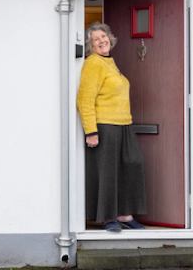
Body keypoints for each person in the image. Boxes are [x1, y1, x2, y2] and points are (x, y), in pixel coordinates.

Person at [77, 22, 147, 232]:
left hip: (124, 124)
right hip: (105, 125)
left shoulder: (109, 63)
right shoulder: (93, 63)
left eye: (103, 36)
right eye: (95, 39)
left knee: (130, 166)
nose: (101, 41)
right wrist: (91, 131)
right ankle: (108, 218)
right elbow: (84, 99)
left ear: (110, 38)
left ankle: (124, 214)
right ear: (91, 45)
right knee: (108, 173)